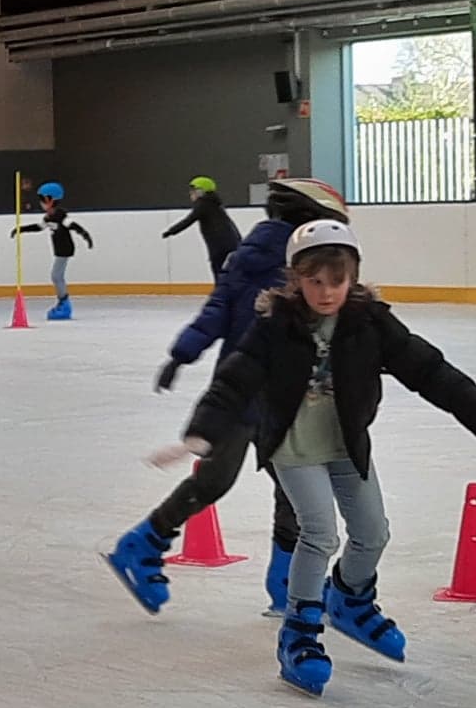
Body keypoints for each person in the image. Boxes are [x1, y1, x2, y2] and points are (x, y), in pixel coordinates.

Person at [119, 221, 476, 696]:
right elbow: (234, 381)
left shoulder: (370, 322)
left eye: (336, 281)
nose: (325, 292)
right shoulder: (276, 325)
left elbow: (430, 370)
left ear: (352, 277)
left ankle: (351, 600)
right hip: (294, 449)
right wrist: (200, 435)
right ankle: (299, 631)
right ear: (295, 278)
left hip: (344, 445)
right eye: (313, 281)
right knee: (317, 532)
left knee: (373, 532)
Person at [147, 176, 351, 614]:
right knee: (241, 483)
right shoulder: (287, 265)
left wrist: (181, 355)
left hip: (260, 394)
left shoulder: (254, 260)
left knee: (260, 484)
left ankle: (288, 588)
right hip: (254, 392)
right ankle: (144, 545)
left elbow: (215, 312)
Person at [14, 181, 93, 321]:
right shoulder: (48, 217)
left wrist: (85, 235)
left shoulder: (61, 215)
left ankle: (64, 302)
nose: (40, 203)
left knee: (56, 276)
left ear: (50, 200)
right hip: (59, 250)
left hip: (65, 249)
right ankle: (62, 301)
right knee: (57, 276)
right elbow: (39, 227)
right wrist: (21, 229)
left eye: (42, 200)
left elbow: (72, 225)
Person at [162, 176, 240, 278]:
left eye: (193, 190)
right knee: (228, 272)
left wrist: (170, 231)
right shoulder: (215, 204)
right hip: (231, 243)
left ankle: (222, 292)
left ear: (201, 191)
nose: (190, 193)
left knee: (219, 272)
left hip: (219, 246)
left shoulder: (203, 204)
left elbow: (189, 220)